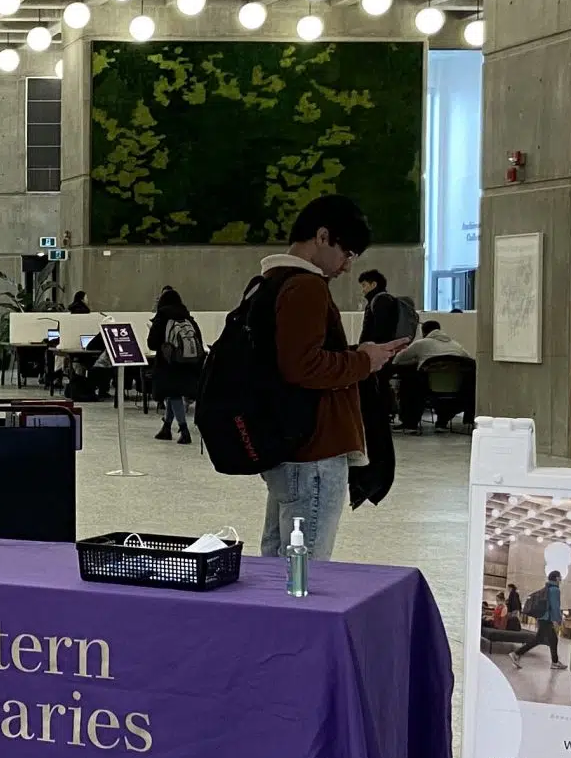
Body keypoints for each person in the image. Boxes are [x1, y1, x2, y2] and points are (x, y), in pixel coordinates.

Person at [240, 194, 407, 560]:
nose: (347, 266)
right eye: (347, 253)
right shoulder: (306, 286)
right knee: (305, 566)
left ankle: (273, 618)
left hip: (287, 443)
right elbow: (303, 366)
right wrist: (364, 361)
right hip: (314, 447)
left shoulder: (269, 283)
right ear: (322, 236)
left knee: (276, 558)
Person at [147, 286, 202, 441]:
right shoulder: (188, 318)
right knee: (173, 395)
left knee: (174, 395)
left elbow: (152, 343)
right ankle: (166, 428)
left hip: (169, 363)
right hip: (188, 363)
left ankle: (184, 431)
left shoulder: (162, 318)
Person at [511, 569, 564, 668]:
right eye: (560, 576)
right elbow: (555, 606)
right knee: (546, 639)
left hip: (542, 617)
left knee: (547, 639)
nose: (561, 578)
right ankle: (516, 654)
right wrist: (559, 620)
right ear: (557, 578)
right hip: (546, 619)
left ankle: (555, 662)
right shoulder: (555, 590)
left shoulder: (548, 588)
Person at [357, 269, 419, 346]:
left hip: (379, 350)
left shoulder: (380, 301)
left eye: (364, 285)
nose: (363, 290)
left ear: (373, 285)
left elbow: (379, 330)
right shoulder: (387, 300)